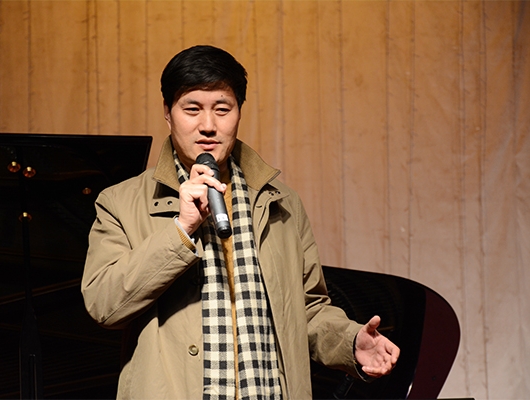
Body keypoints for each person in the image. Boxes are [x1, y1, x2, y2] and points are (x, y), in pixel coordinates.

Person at [81, 45, 399, 399]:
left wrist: (350, 342)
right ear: (168, 114)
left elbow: (306, 310)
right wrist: (181, 230)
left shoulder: (280, 201)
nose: (208, 126)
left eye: (222, 109)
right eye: (192, 109)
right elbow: (103, 305)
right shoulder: (120, 202)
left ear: (239, 113)